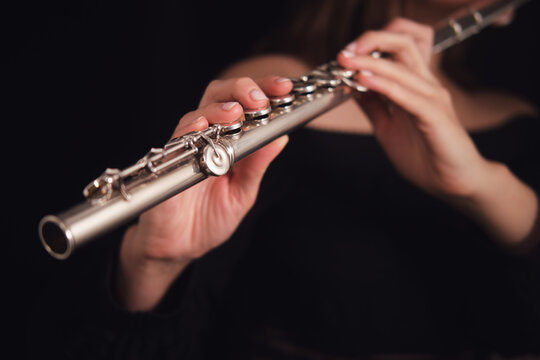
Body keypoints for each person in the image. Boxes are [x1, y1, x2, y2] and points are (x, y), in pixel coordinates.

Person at [31, 0, 540, 358]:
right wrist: (154, 263)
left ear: (510, 11)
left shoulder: (521, 122)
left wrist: (483, 186)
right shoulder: (271, 92)